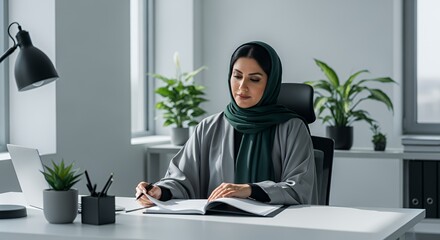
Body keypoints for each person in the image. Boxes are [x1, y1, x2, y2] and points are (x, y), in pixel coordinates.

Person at [136, 41, 318, 207]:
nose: (242, 86)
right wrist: (159, 191)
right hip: (217, 227)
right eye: (237, 76)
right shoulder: (209, 127)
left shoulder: (292, 128)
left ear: (271, 83)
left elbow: (300, 189)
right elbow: (182, 179)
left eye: (254, 79)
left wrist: (250, 190)